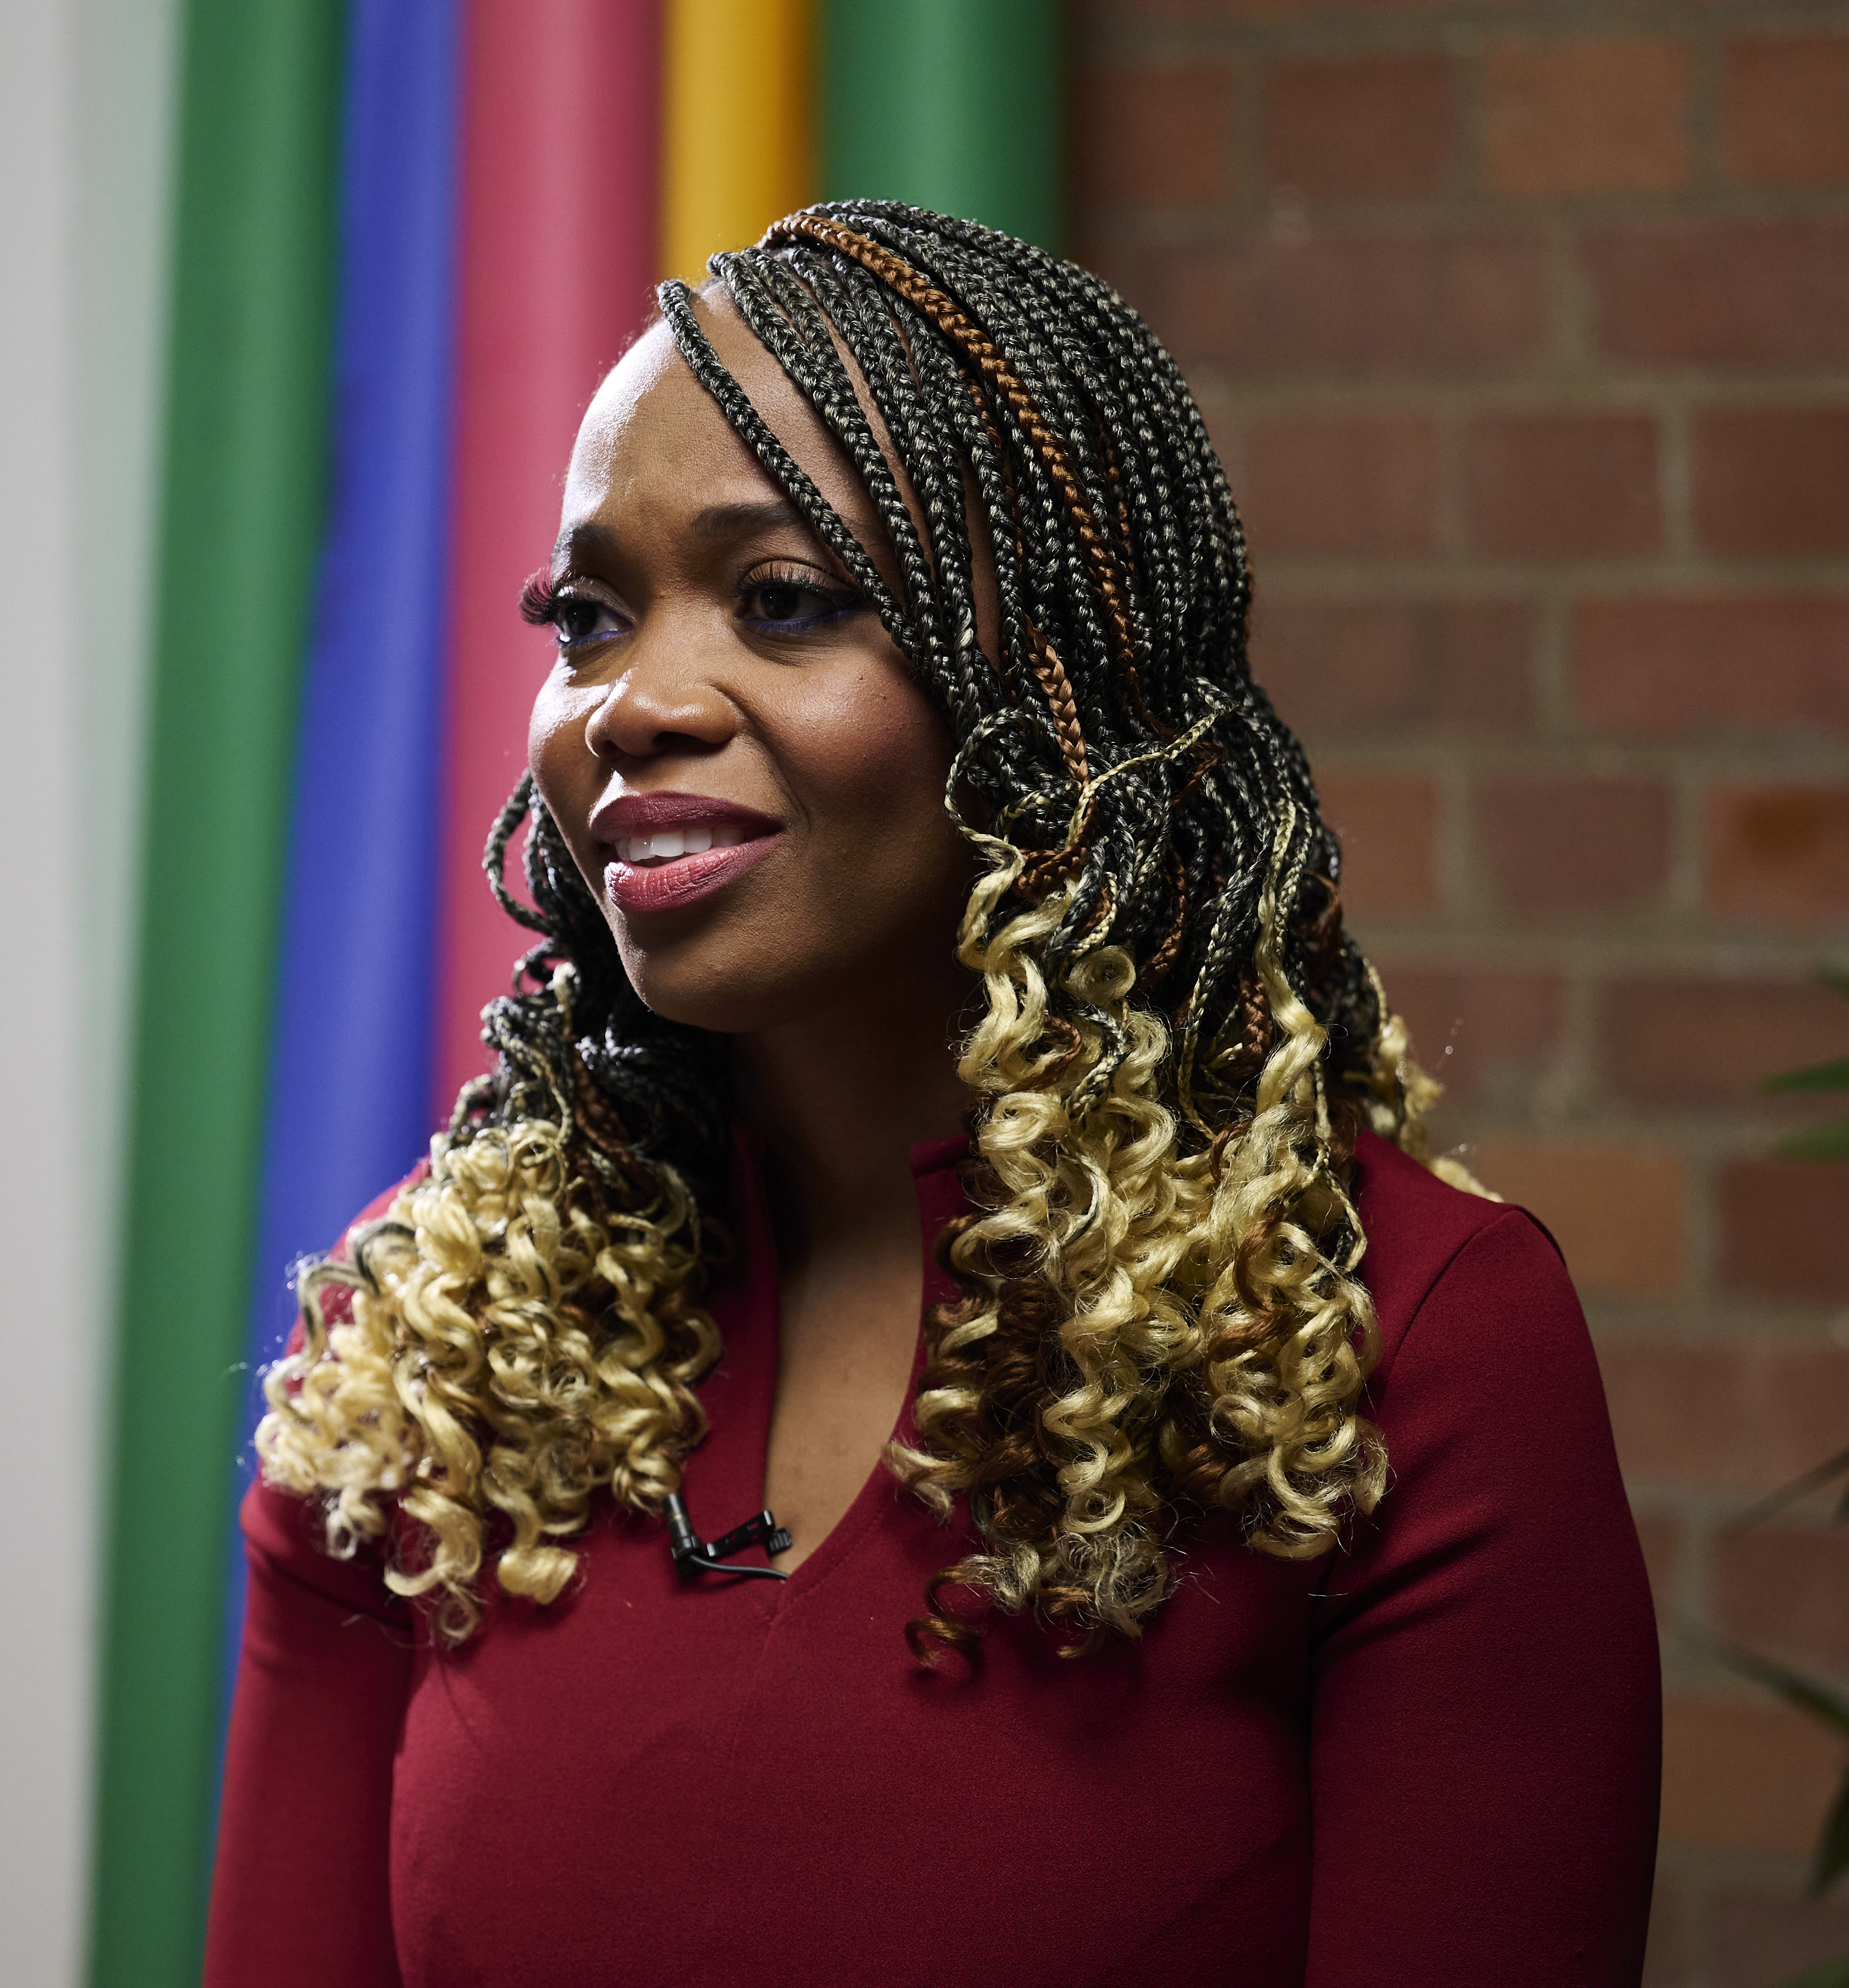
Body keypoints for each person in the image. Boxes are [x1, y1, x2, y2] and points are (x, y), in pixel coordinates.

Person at [205, 204, 1660, 1987]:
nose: (631, 705)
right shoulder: (416, 1349)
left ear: (1061, 688)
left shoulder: (1400, 1345)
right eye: (589, 614)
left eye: (785, 599)